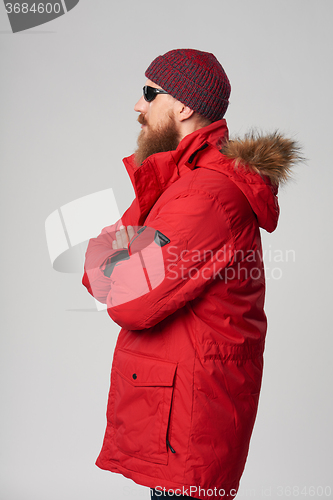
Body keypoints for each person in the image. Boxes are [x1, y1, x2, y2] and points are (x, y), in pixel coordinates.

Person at [82, 49, 300, 500]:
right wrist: (120, 255)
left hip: (187, 423)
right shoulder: (180, 183)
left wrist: (120, 256)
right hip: (179, 415)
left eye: (149, 93)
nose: (138, 106)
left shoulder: (204, 194)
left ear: (183, 106)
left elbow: (128, 300)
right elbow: (96, 273)